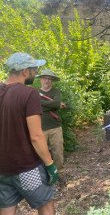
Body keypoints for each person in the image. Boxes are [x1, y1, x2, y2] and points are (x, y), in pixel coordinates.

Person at [0, 52, 58, 215]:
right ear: (25, 71)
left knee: (6, 209)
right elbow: (36, 136)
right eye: (34, 69)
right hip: (26, 167)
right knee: (46, 205)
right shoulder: (29, 93)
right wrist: (50, 165)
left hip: (2, 169)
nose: (36, 72)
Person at [36, 69, 65, 171]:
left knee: (58, 152)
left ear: (52, 80)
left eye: (49, 79)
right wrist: (53, 105)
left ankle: (59, 175)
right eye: (44, 78)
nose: (47, 81)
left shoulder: (56, 92)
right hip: (40, 129)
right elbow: (35, 107)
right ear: (40, 80)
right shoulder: (35, 92)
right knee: (41, 153)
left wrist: (41, 103)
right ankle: (43, 176)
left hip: (55, 127)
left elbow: (56, 104)